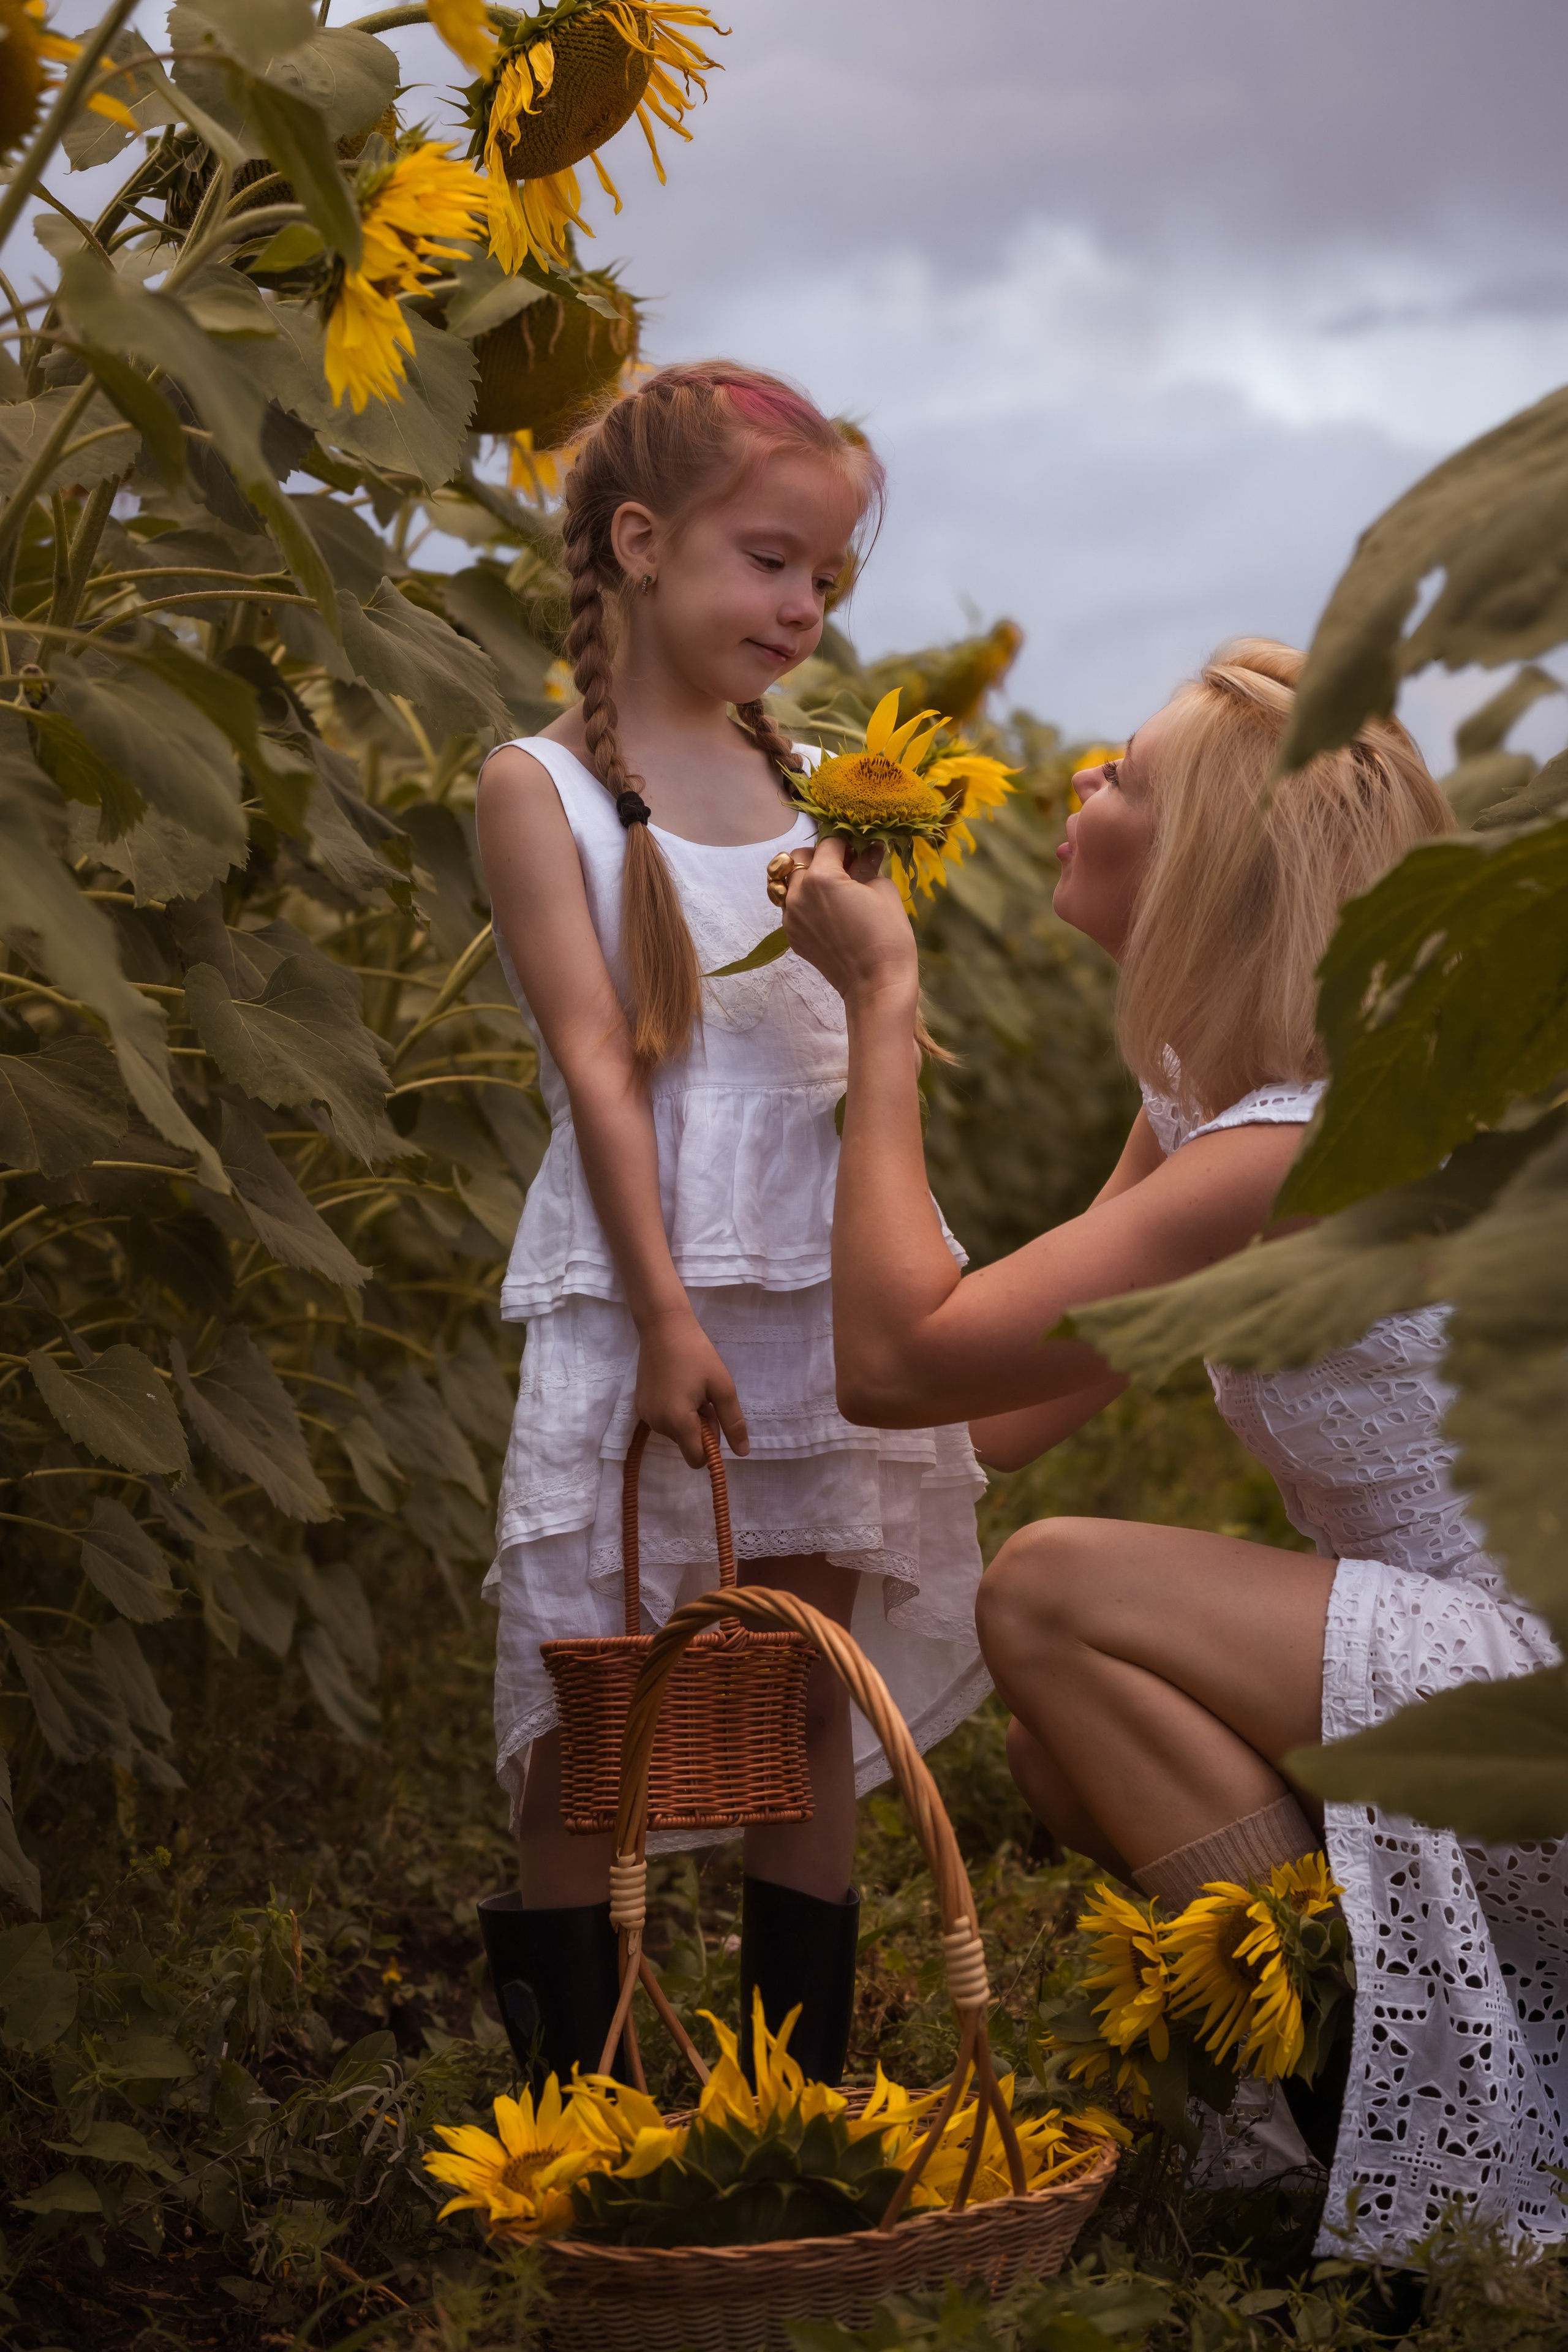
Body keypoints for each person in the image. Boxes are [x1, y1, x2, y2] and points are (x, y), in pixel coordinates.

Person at [775, 638, 1567, 2263]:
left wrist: (882, 1005)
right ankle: (1332, 2101)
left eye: (1122, 776)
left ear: (1205, 862)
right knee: (1073, 1743)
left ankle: (1345, 2109)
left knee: (1055, 1593)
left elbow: (904, 1362)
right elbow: (1017, 1401)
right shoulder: (1227, 1099)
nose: (1079, 782)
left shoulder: (1285, 1153)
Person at [472, 363, 990, 2090]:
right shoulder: (540, 789)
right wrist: (668, 1319)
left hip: (819, 1308)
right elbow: (605, 1075)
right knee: (594, 1706)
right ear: (639, 540)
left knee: (797, 1704)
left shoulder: (837, 792)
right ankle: (581, 2110)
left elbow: (867, 1066)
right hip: (651, 1294)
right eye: (774, 561)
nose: (803, 610)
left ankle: (799, 2107)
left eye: (828, 582)